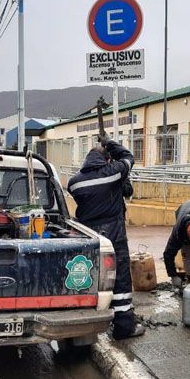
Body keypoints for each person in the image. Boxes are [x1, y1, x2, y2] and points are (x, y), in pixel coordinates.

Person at [67, 133, 145, 340]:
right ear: (107, 159)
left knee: (90, 279)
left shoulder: (75, 183)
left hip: (89, 237)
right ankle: (123, 327)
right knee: (120, 282)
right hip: (114, 235)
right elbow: (128, 157)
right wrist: (110, 143)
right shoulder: (112, 173)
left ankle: (88, 323)